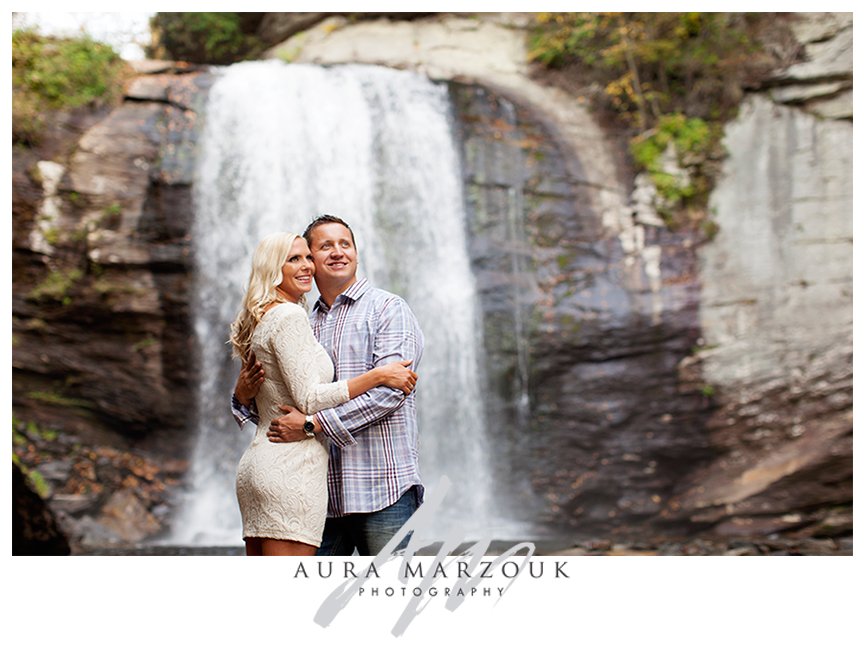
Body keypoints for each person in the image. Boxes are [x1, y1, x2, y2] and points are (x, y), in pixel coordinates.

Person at [233, 215, 425, 555]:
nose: (337, 252)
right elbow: (276, 396)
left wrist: (311, 425)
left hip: (380, 487)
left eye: (345, 244)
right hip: (317, 492)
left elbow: (391, 392)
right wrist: (242, 396)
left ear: (356, 252)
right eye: (323, 247)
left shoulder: (388, 309)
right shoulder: (301, 320)